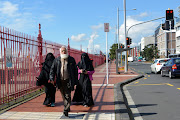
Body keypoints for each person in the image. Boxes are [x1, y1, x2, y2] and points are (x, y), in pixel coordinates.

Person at [49, 46, 78, 117]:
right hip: (60, 80)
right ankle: (67, 107)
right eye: (62, 51)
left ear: (67, 51)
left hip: (68, 80)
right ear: (60, 52)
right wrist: (52, 78)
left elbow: (75, 71)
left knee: (68, 95)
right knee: (63, 95)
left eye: (65, 50)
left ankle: (66, 109)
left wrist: (75, 81)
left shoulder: (71, 59)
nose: (64, 52)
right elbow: (52, 70)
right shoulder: (57, 60)